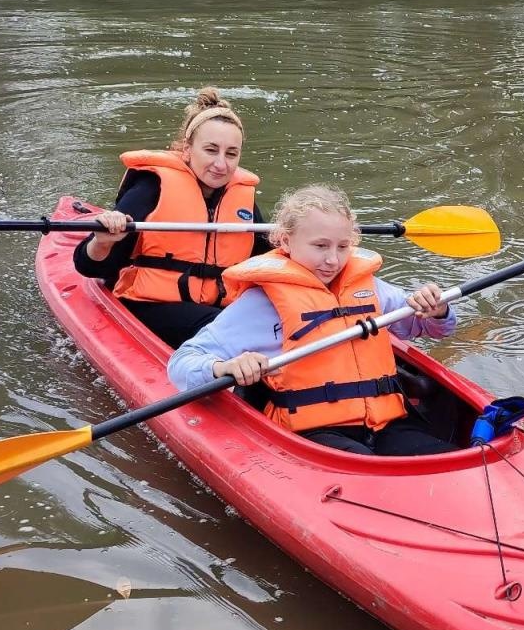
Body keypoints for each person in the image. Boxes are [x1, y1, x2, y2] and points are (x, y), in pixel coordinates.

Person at [167, 185, 459, 456]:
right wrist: (225, 367)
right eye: (321, 246)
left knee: (446, 460)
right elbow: (182, 363)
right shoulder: (261, 303)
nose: (333, 260)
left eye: (343, 247)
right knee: (369, 473)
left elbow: (430, 328)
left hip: (387, 424)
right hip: (315, 434)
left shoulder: (369, 287)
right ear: (286, 240)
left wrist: (437, 310)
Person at [74, 87, 269, 348]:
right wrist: (103, 241)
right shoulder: (151, 187)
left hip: (216, 308)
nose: (221, 164)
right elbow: (88, 267)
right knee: (224, 325)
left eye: (231, 153)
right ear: (187, 149)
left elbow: (269, 261)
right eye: (211, 150)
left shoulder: (241, 198)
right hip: (148, 303)